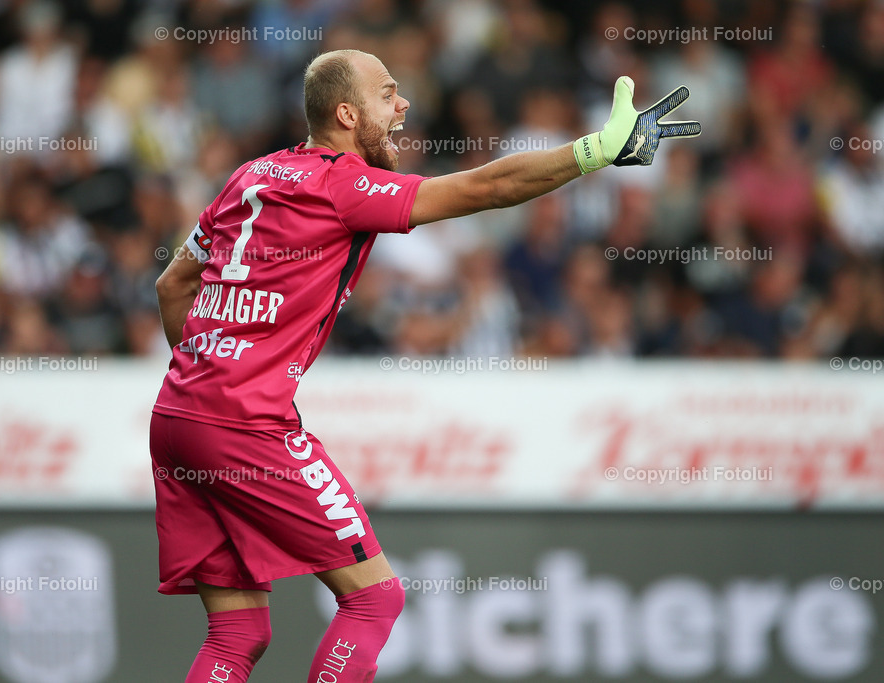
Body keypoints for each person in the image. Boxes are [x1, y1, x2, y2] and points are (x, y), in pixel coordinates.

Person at [150, 48, 699, 682]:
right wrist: (595, 152)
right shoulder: (342, 184)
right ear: (348, 114)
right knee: (374, 597)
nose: (403, 103)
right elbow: (484, 188)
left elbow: (171, 285)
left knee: (238, 632)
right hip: (245, 423)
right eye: (388, 94)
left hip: (177, 416)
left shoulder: (249, 177)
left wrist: (207, 379)